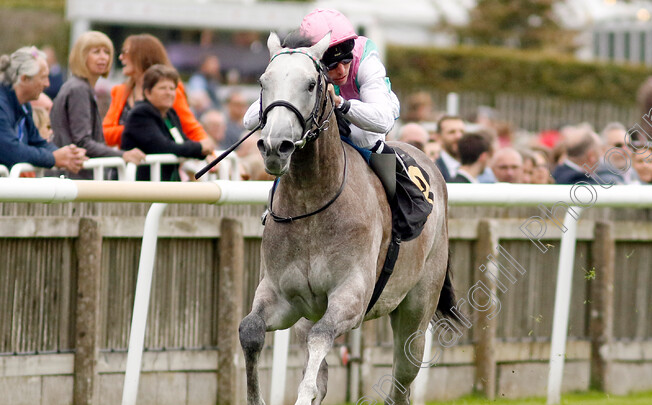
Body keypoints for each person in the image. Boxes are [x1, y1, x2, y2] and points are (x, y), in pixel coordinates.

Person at [246, 8, 431, 241]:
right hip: (323, 117)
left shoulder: (366, 58)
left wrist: (342, 104)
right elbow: (249, 119)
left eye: (346, 61)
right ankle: (275, 204)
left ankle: (398, 209)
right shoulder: (302, 64)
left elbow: (382, 119)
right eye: (332, 65)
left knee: (363, 137)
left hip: (367, 116)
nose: (341, 70)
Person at [50, 31, 145, 176]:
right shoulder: (79, 89)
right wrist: (122, 155)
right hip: (73, 178)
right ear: (81, 56)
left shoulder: (79, 87)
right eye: (96, 52)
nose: (103, 57)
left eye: (107, 52)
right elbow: (82, 141)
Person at [103, 34, 211, 151]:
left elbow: (190, 127)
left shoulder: (170, 91)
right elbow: (105, 134)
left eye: (126, 52)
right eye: (162, 88)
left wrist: (209, 153)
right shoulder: (120, 91)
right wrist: (138, 129)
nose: (121, 57)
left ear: (142, 56)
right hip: (129, 165)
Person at [0, 46, 86, 172]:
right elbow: (10, 151)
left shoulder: (24, 104)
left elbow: (37, 141)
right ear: (24, 79)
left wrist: (67, 155)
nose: (47, 84)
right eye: (43, 77)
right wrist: (53, 158)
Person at [121, 64, 213, 181]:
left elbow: (181, 141)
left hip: (167, 183)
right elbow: (163, 146)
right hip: (144, 187)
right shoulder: (141, 114)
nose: (169, 93)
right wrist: (199, 147)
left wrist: (204, 152)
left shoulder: (170, 114)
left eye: (172, 88)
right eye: (163, 88)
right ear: (148, 93)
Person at [434, 115, 465, 182]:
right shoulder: (434, 169)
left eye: (462, 132)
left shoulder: (475, 166)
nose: (458, 136)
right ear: (438, 137)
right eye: (452, 132)